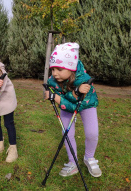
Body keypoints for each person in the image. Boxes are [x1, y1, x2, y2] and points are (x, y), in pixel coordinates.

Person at [45, 42, 101, 177]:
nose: (55, 73)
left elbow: (76, 104)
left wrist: (57, 98)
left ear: (71, 68)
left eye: (59, 69)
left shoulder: (84, 81)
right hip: (66, 106)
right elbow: (65, 100)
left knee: (92, 133)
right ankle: (73, 162)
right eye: (53, 69)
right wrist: (54, 95)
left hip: (86, 105)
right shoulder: (53, 80)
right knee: (67, 133)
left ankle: (89, 158)